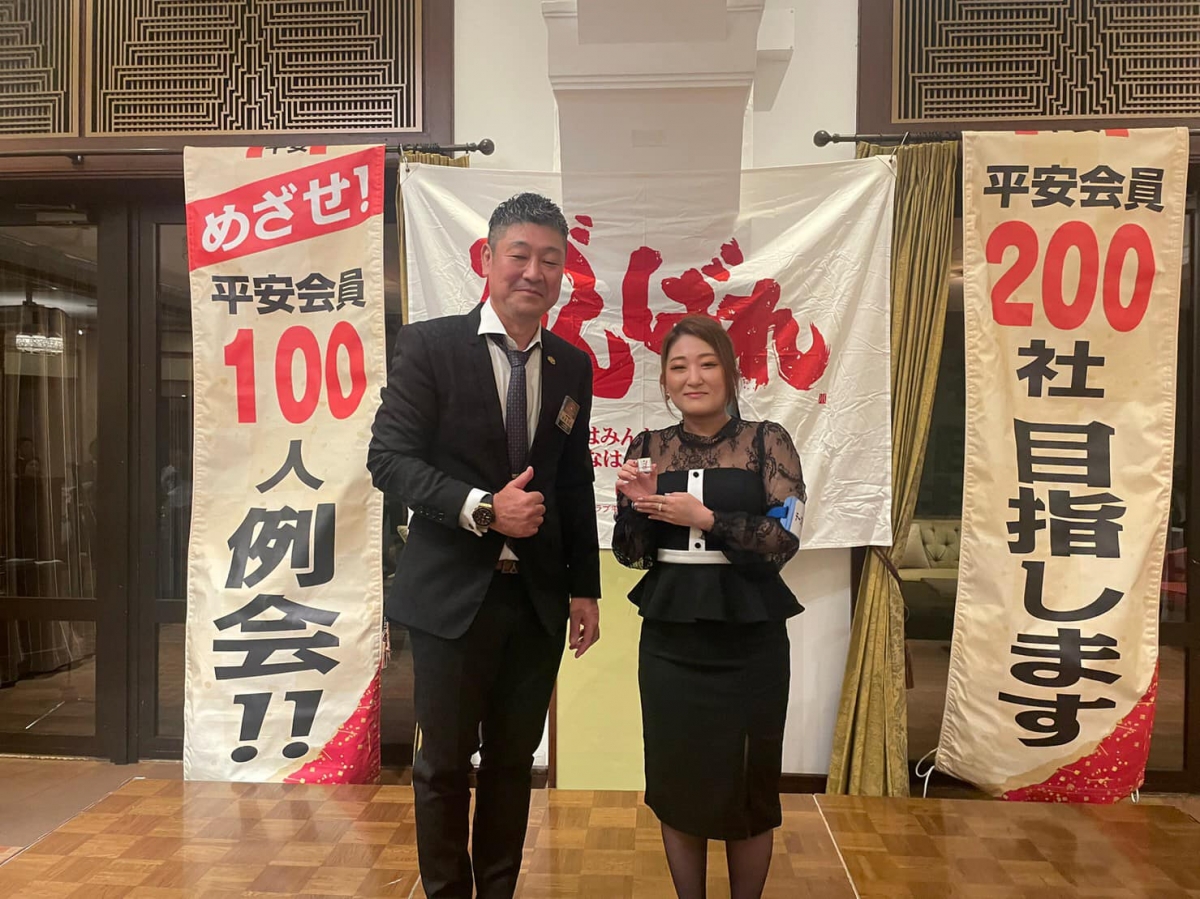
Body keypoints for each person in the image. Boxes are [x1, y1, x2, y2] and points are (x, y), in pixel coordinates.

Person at [368, 192, 601, 899]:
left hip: (536, 599)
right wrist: (482, 509)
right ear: (488, 259)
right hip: (450, 596)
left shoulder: (572, 365)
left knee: (511, 762)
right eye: (519, 255)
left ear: (563, 274)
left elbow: (573, 481)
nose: (534, 271)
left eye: (550, 260)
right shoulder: (430, 346)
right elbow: (389, 459)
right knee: (441, 764)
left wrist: (584, 587)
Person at [613, 315, 805, 899]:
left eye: (706, 363)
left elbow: (784, 539)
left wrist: (707, 519)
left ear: (730, 372)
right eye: (678, 367)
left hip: (750, 639)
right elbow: (631, 554)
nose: (692, 378)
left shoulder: (767, 440)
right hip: (670, 639)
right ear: (665, 381)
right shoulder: (648, 447)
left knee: (749, 785)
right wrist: (637, 508)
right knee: (678, 782)